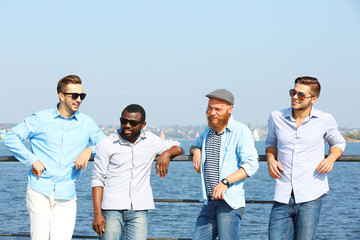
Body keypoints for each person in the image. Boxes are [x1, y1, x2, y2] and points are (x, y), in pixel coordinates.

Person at [3, 75, 106, 240]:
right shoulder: (40, 118)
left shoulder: (86, 123)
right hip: (39, 189)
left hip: (67, 193)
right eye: (74, 95)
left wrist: (89, 150)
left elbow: (106, 145)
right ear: (61, 96)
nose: (79, 99)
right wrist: (33, 160)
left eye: (82, 96)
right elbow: (10, 138)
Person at [265, 76, 346, 240]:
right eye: (292, 92)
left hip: (311, 195)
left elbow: (338, 142)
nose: (294, 97)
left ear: (314, 99)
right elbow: (270, 143)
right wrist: (271, 159)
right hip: (282, 194)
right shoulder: (276, 117)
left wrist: (330, 159)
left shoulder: (325, 119)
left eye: (301, 95)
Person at [91, 104, 183, 240]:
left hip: (139, 208)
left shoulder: (151, 141)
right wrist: (97, 214)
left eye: (133, 123)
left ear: (143, 124)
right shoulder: (106, 144)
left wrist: (167, 153)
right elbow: (97, 179)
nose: (127, 125)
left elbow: (178, 147)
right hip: (111, 209)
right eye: (123, 121)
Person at [190, 89, 259, 239]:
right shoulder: (208, 131)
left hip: (229, 203)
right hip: (209, 202)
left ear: (230, 109)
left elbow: (251, 165)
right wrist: (196, 151)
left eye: (217, 109)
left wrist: (225, 182)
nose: (212, 112)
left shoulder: (241, 131)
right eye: (209, 108)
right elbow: (195, 144)